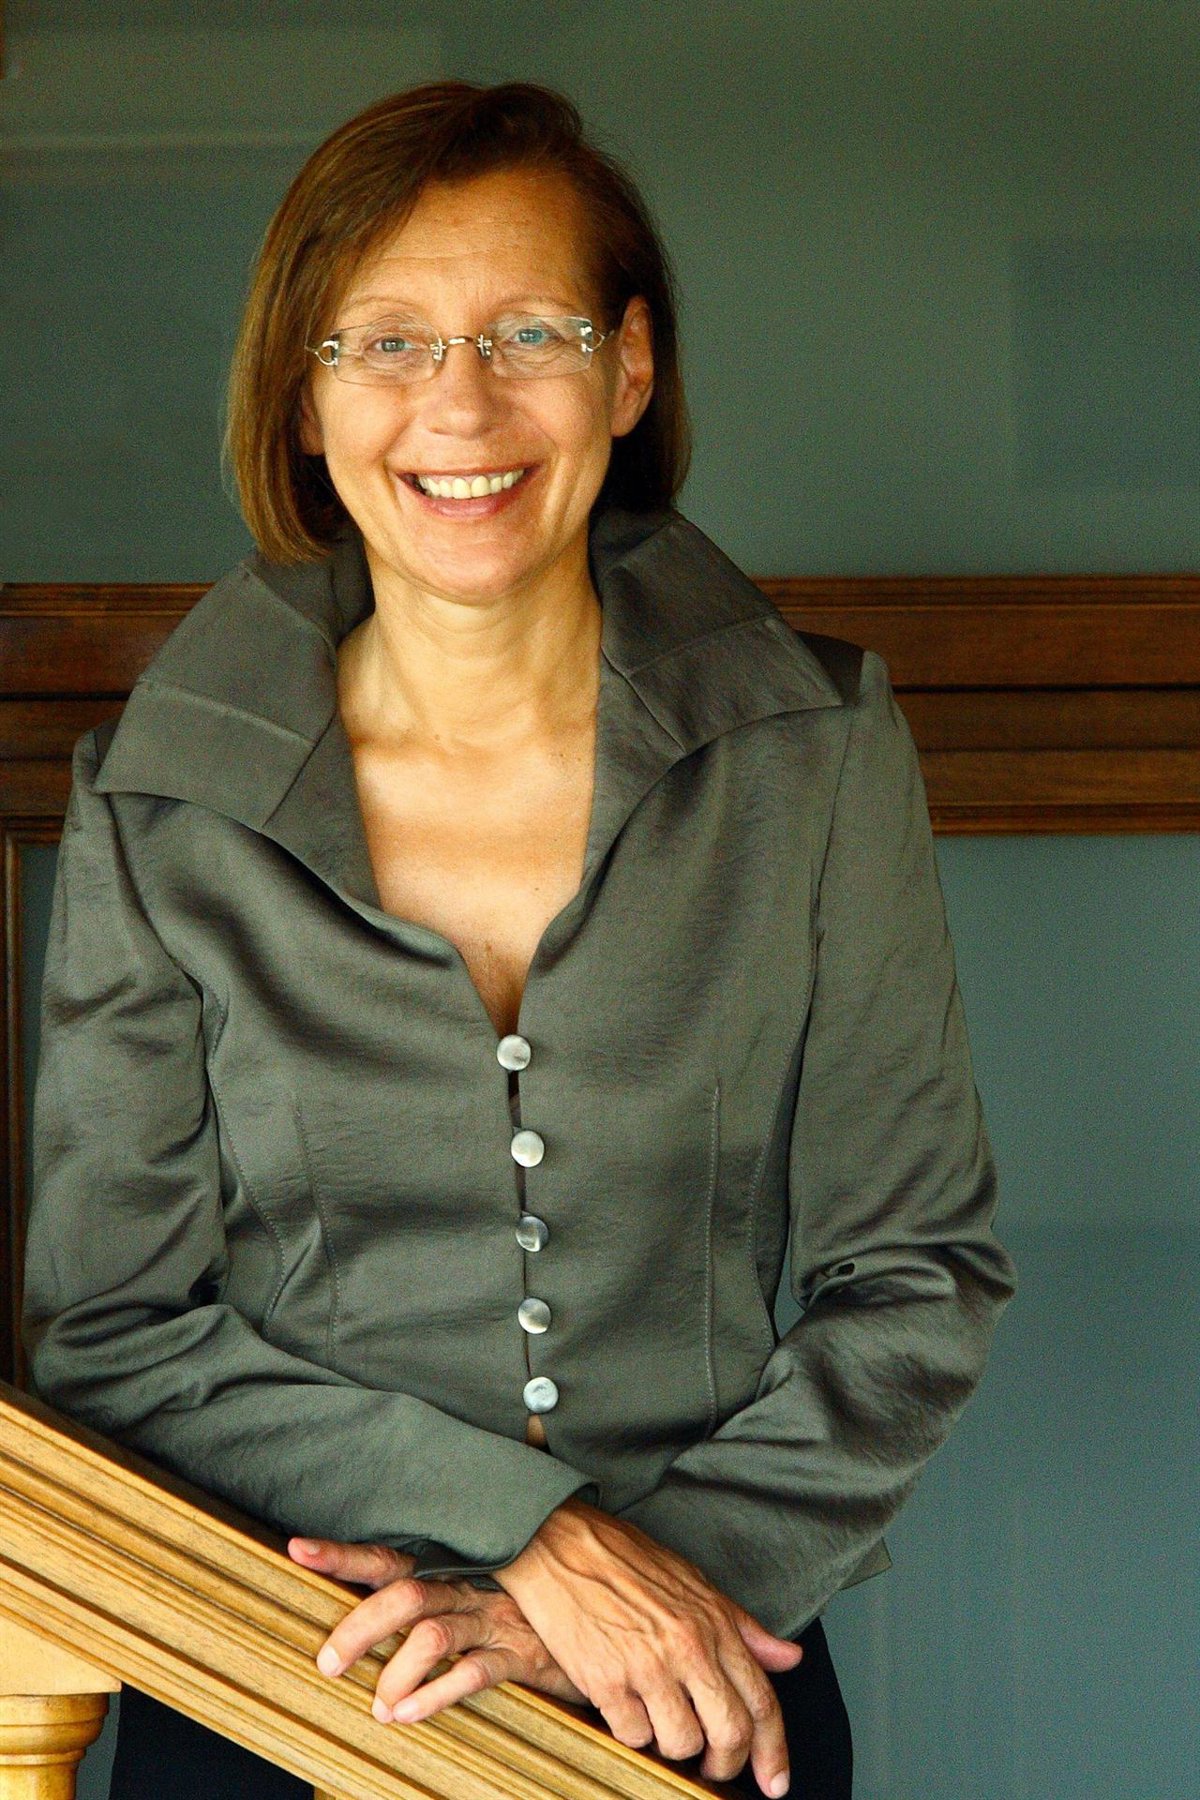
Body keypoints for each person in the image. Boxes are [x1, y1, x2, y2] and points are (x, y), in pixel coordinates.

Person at [23, 81, 1015, 1800]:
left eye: (530, 332)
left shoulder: (816, 749)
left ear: (628, 370)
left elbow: (913, 1274)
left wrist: (659, 1592)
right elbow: (114, 1328)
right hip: (283, 1684)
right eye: (387, 342)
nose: (461, 403)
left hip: (699, 1685)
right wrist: (542, 1543)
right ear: (305, 399)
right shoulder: (159, 800)